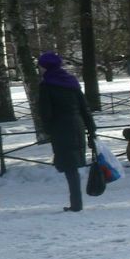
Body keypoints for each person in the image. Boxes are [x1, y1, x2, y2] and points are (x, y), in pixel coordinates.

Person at [37, 52, 96, 212]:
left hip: (61, 128)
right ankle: (76, 202)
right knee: (72, 165)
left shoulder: (47, 85)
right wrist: (91, 129)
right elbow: (85, 108)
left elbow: (45, 112)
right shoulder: (71, 82)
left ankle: (76, 204)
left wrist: (48, 129)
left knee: (69, 167)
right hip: (77, 125)